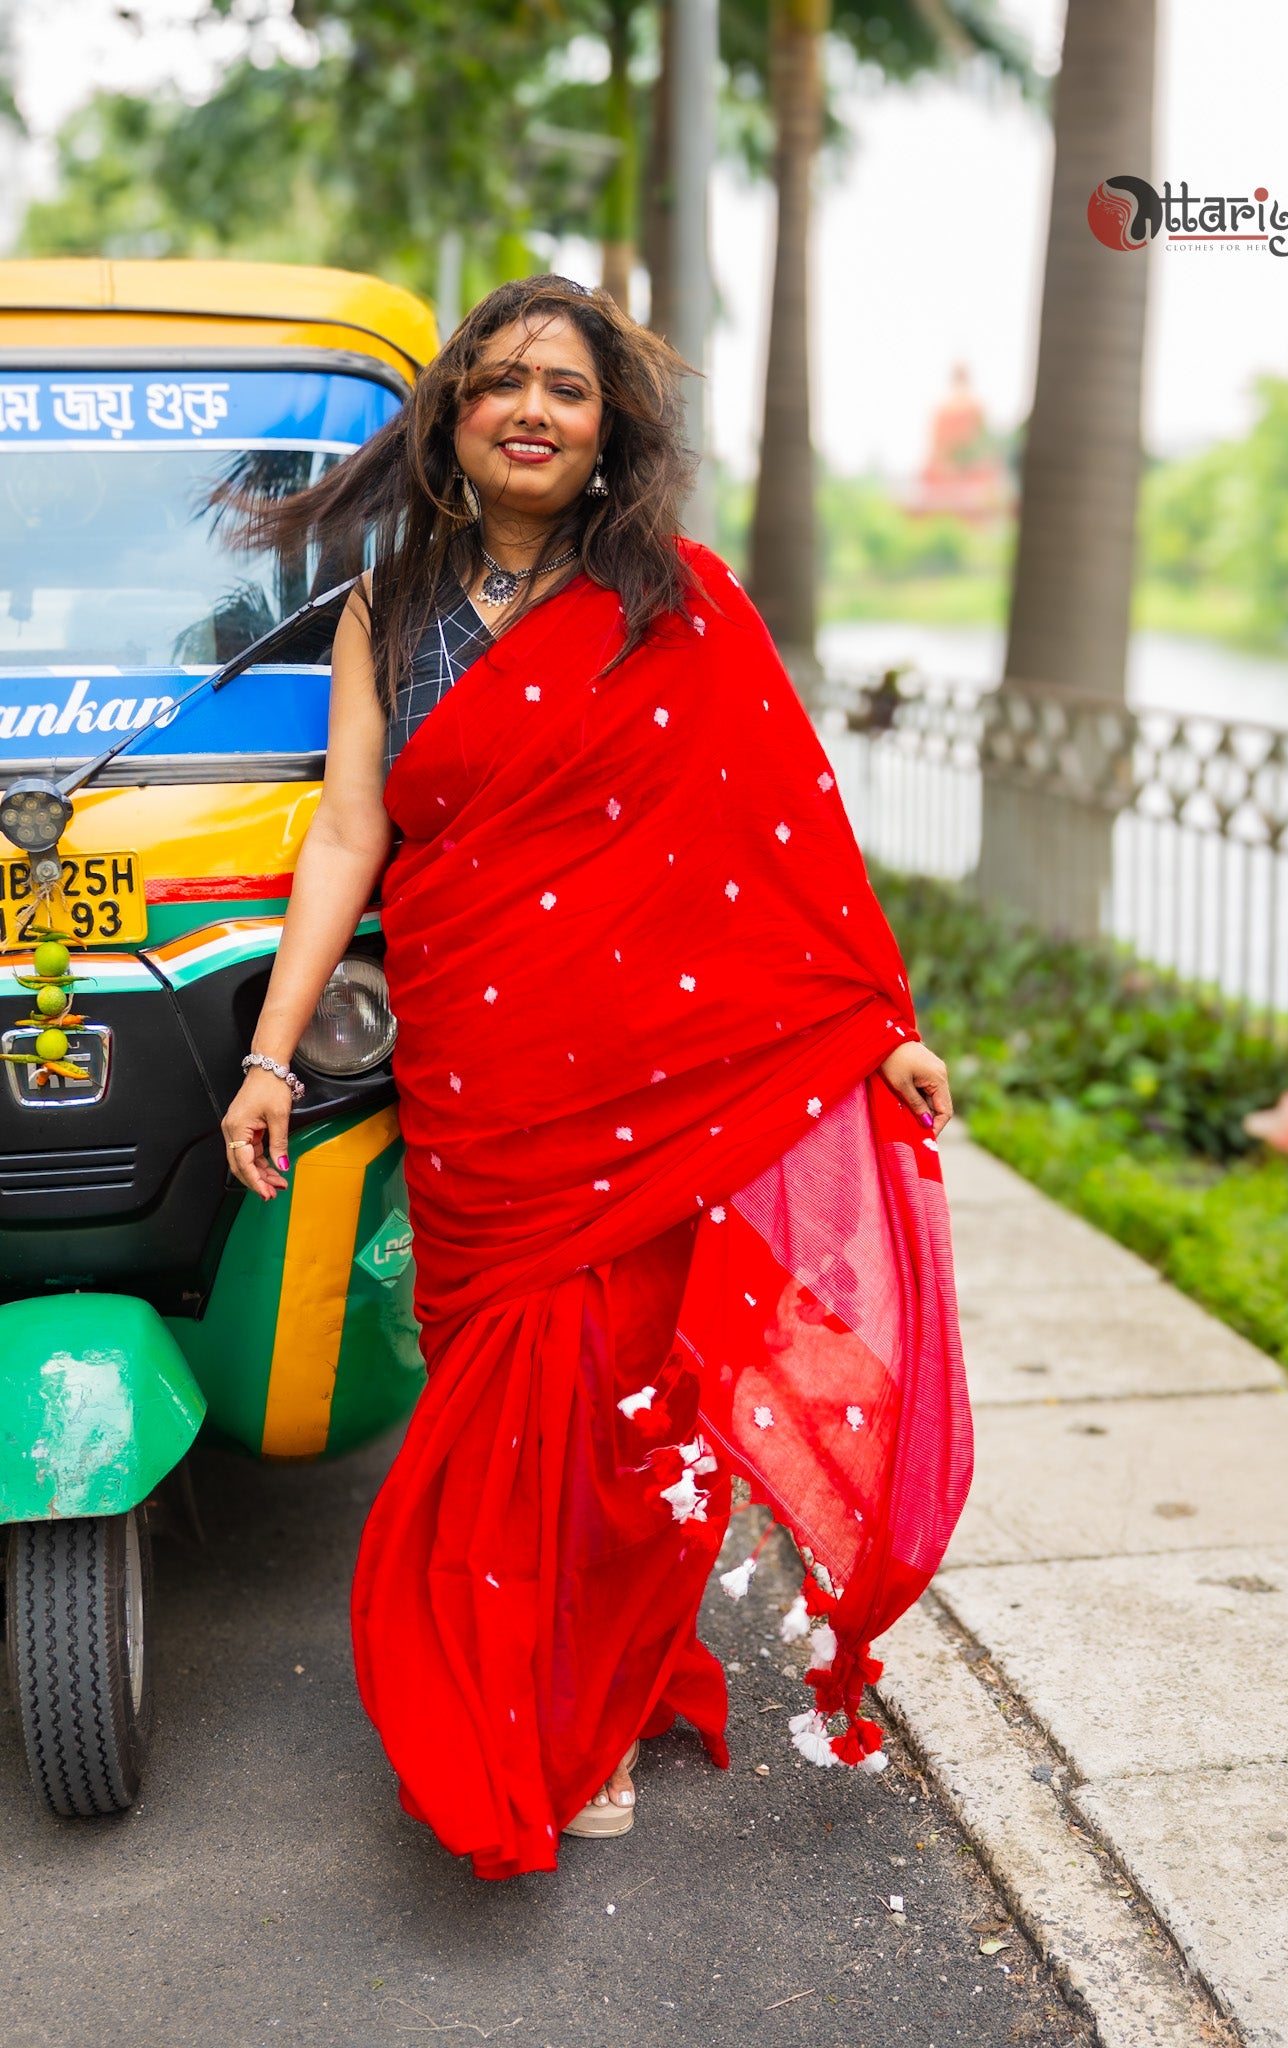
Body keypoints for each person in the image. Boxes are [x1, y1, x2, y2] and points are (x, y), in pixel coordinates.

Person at [218, 276, 972, 1881]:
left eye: (564, 386)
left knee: (621, 1422)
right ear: (452, 421)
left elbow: (784, 835)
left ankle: (596, 1699)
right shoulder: (386, 608)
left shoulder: (679, 601)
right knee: (501, 1398)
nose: (532, 410)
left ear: (608, 426)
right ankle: (508, 1695)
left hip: (641, 1081)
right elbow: (350, 833)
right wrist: (272, 1054)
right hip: (483, 1067)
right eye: (498, 384)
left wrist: (870, 1018)